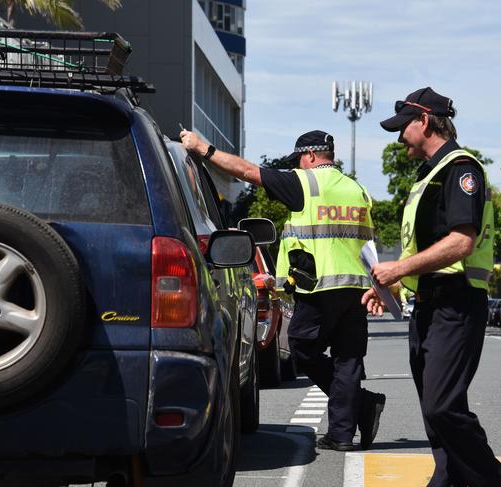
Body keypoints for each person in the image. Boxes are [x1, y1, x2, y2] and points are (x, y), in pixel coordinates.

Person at [180, 128, 385, 451]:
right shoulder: (356, 189)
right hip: (356, 287)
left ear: (311, 156)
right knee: (348, 359)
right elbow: (366, 243)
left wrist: (203, 149)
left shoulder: (304, 183)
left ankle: (359, 406)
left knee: (302, 347)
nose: (297, 167)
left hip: (319, 287)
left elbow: (247, 171)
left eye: (299, 160)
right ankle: (344, 433)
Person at [363, 87, 500, 486]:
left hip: (455, 304)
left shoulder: (460, 169)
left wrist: (399, 268)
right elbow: (424, 248)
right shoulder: (428, 176)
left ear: (423, 121)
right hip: (428, 306)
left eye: (402, 127)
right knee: (436, 414)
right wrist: (392, 284)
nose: (398, 136)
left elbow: (461, 242)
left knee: (442, 408)